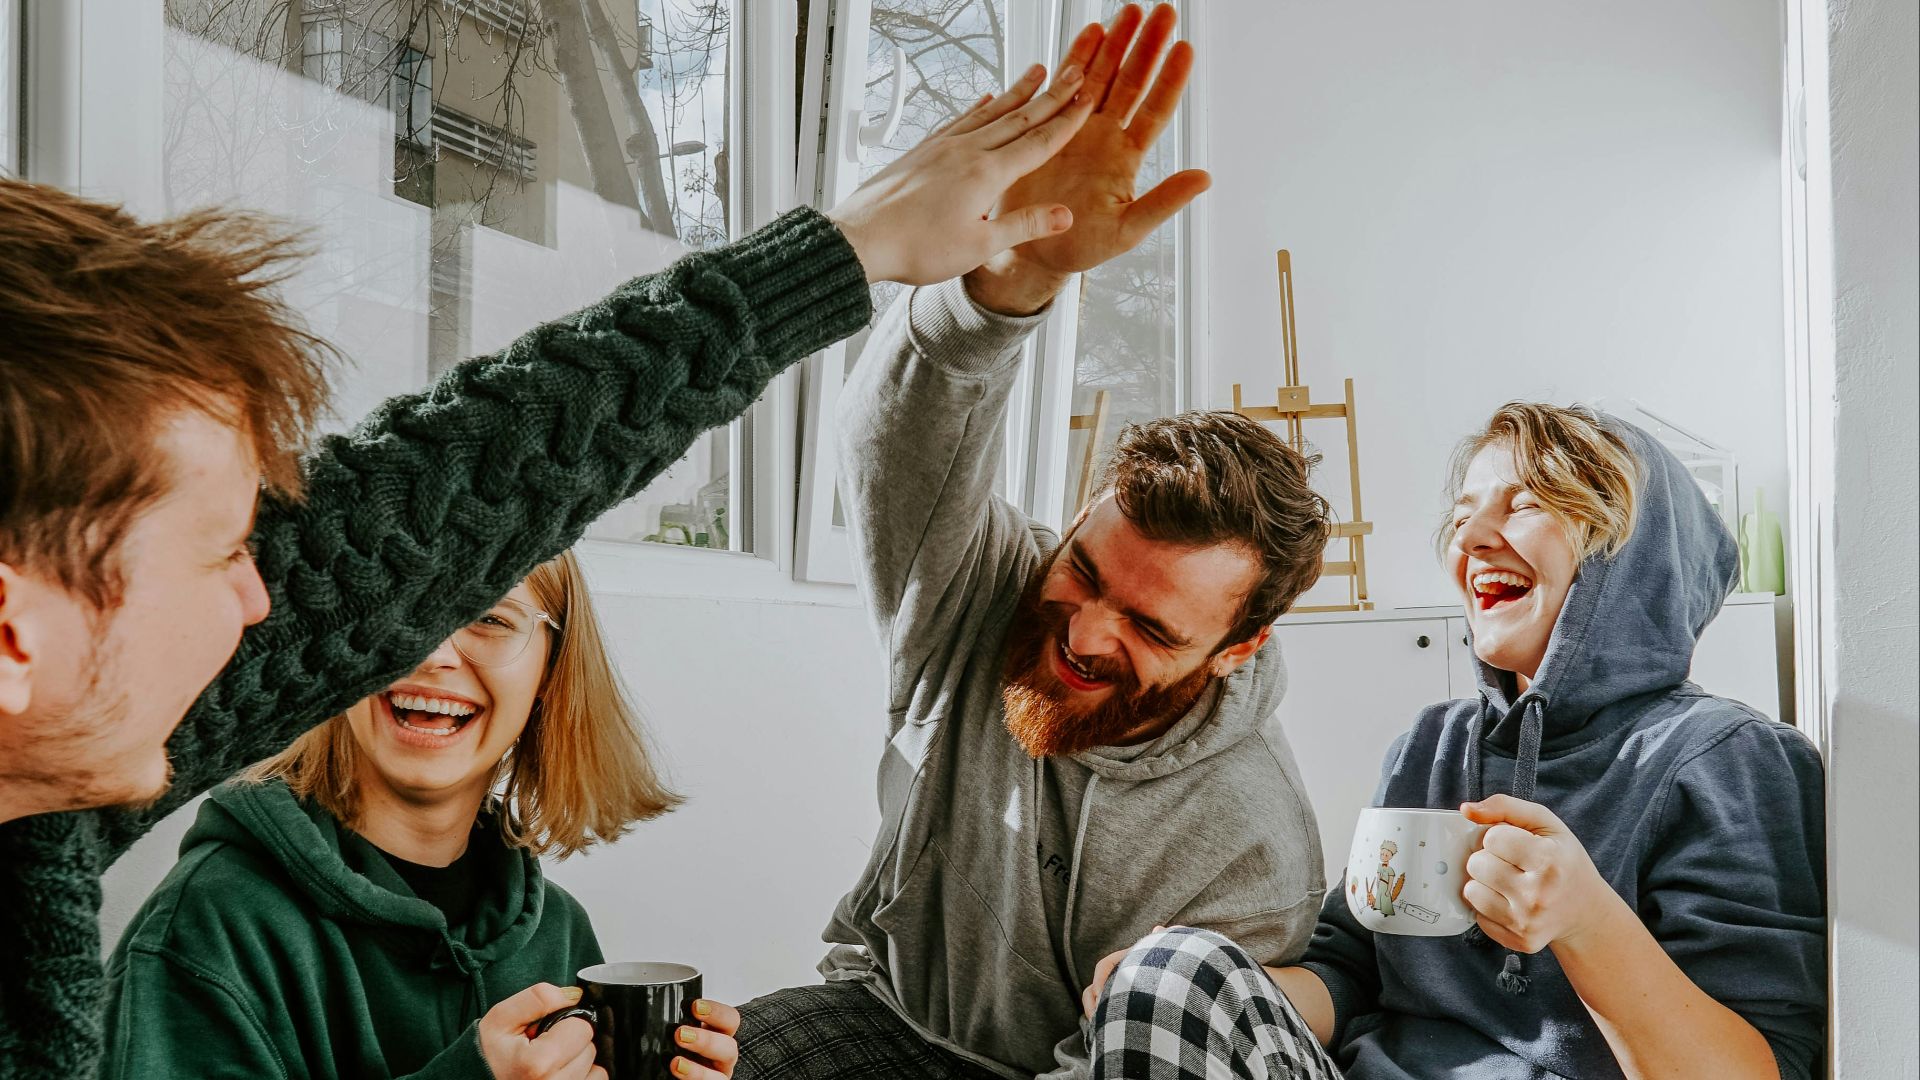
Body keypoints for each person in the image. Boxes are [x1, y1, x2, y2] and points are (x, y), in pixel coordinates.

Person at [0, 57, 1099, 1077]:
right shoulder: (199, 918)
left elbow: (434, 503)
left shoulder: (38, 808)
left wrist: (847, 249)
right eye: (224, 553)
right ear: (14, 637)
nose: (265, 598)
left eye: (492, 620)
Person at [733, 7, 1336, 1078]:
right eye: (1087, 570)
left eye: (1152, 625)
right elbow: (900, 443)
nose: (1087, 631)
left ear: (1236, 648)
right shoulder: (984, 595)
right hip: (888, 1020)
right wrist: (1012, 285)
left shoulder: (1250, 843)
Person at [1083, 404, 1827, 1080]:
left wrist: (1586, 922)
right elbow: (1350, 969)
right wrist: (1195, 989)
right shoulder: (1431, 744)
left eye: (1527, 503)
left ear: (1631, 556)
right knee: (1170, 972)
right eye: (1465, 514)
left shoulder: (1728, 759)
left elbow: (1765, 1069)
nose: (1470, 540)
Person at [101, 550, 738, 1079]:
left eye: (488, 617)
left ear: (551, 671)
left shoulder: (559, 931)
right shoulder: (208, 926)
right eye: (404, 610)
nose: (434, 655)